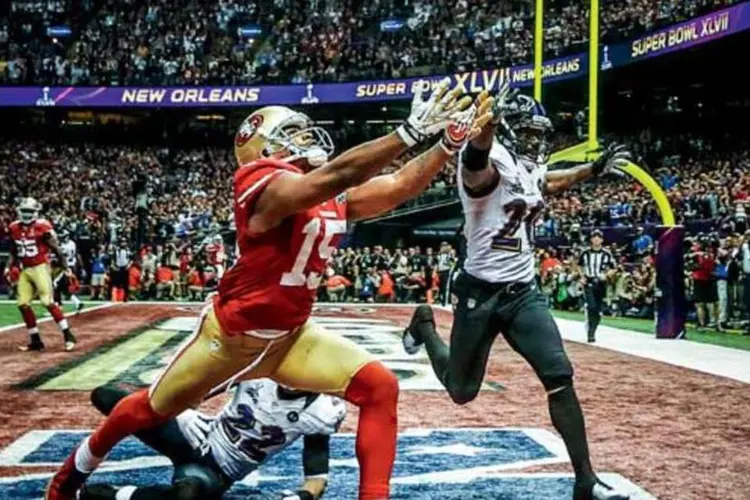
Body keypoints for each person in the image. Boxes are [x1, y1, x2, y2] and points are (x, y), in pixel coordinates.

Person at [47, 80, 494, 500]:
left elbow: (395, 187)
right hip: (232, 337)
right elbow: (328, 180)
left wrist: (446, 145)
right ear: (264, 147)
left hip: (290, 336)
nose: (306, 137)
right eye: (293, 132)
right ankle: (70, 477)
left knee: (379, 387)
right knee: (147, 408)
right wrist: (409, 132)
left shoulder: (321, 190)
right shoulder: (259, 181)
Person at [401, 86, 631, 500]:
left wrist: (591, 170)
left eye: (538, 133)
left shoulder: (527, 166)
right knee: (460, 390)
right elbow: (475, 162)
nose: (536, 141)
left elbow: (548, 182)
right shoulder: (491, 163)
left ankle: (586, 480)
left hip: (523, 290)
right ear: (503, 130)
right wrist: (484, 126)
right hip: (480, 292)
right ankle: (425, 325)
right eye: (525, 132)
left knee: (559, 374)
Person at [79, 379, 345, 500]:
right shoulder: (259, 369)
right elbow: (195, 383)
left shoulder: (321, 412)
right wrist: (180, 408)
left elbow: (317, 476)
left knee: (187, 495)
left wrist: (302, 497)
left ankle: (109, 495)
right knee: (109, 395)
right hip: (196, 436)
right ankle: (76, 474)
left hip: (217, 472)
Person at [5, 197, 77, 352]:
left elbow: (56, 248)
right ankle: (36, 340)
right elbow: (13, 250)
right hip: (26, 269)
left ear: (35, 212)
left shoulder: (42, 227)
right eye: (24, 211)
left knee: (47, 301)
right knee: (22, 304)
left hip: (40, 268)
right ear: (19, 211)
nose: (26, 214)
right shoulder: (14, 227)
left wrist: (65, 267)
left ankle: (68, 335)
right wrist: (7, 267)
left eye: (29, 211)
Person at [579, 230, 615, 342]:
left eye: (598, 237)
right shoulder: (585, 253)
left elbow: (614, 267)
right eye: (594, 237)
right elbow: (579, 265)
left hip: (600, 282)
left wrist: (607, 274)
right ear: (591, 239)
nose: (596, 239)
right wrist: (582, 276)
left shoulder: (606, 253)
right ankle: (590, 332)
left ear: (602, 240)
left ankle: (592, 330)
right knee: (591, 306)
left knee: (598, 309)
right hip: (589, 281)